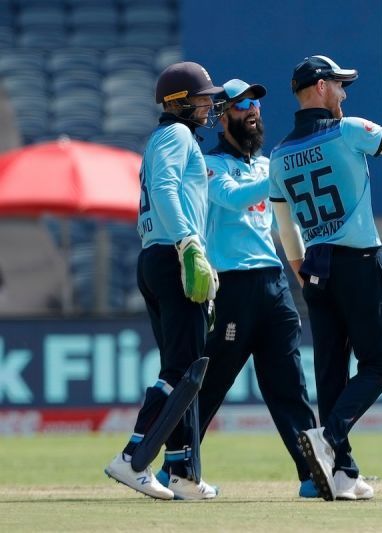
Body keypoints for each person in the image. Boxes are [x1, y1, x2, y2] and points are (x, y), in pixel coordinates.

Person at [268, 55, 382, 501]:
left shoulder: (279, 154)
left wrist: (302, 271)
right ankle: (329, 437)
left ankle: (341, 472)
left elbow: (284, 229)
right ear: (322, 87)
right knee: (380, 365)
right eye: (340, 86)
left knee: (331, 372)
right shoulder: (347, 131)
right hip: (358, 261)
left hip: (315, 266)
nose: (345, 94)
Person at [153, 79, 319, 498]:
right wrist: (280, 176)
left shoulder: (265, 166)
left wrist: (302, 270)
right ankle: (177, 469)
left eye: (257, 104)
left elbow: (287, 224)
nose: (254, 111)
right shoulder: (208, 164)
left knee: (290, 385)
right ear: (223, 114)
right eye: (243, 105)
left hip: (273, 285)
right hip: (230, 287)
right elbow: (234, 197)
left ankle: (314, 475)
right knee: (208, 385)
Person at [104, 61, 224, 500]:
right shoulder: (175, 135)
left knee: (184, 365)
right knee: (184, 368)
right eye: (202, 97)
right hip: (172, 256)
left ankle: (183, 473)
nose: (209, 104)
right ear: (179, 102)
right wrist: (190, 244)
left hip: (159, 255)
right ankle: (134, 457)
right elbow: (168, 188)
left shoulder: (169, 137)